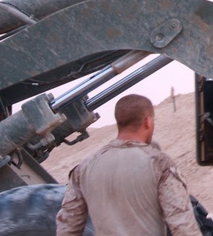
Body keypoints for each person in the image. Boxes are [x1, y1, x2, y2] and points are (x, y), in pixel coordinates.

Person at [55, 94, 201, 236]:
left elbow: (68, 227)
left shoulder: (85, 167)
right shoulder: (159, 164)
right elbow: (183, 226)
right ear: (147, 122)